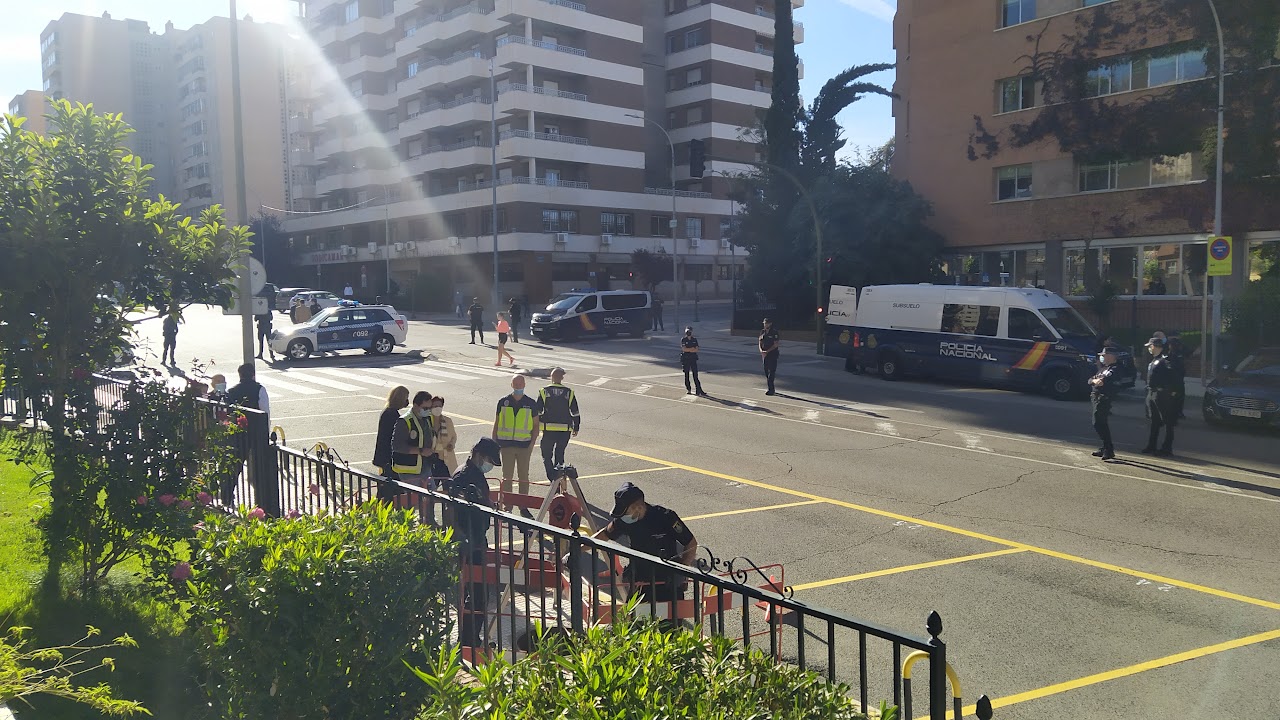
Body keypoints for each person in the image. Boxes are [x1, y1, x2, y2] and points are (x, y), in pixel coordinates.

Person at [593, 482, 698, 606]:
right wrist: (578, 547)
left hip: (668, 582)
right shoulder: (625, 520)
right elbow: (604, 535)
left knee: (670, 622)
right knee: (637, 621)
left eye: (626, 512)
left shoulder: (665, 517)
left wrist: (683, 568)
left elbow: (691, 542)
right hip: (640, 582)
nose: (623, 517)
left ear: (638, 507)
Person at [443, 437, 502, 646]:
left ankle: (470, 638)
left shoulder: (474, 473)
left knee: (477, 593)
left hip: (476, 538)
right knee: (477, 594)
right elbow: (451, 509)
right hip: (468, 541)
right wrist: (459, 538)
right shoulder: (464, 475)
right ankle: (469, 640)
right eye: (489, 460)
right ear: (478, 454)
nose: (490, 466)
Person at [223, 363, 272, 505]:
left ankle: (226, 495)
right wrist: (266, 432)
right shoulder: (259, 389)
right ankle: (262, 497)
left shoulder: (232, 391)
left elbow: (228, 412)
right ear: (253, 374)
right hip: (257, 432)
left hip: (239, 433)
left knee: (235, 465)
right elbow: (265, 411)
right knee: (259, 465)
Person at [492, 374, 540, 513]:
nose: (518, 386)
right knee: (507, 477)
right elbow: (497, 423)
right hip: (506, 446)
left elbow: (536, 425)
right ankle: (508, 505)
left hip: (524, 446)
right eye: (516, 384)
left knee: (523, 477)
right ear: (511, 385)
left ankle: (523, 504)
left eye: (521, 384)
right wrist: (494, 442)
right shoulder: (503, 402)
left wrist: (532, 444)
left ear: (524, 385)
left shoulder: (531, 403)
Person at [536, 368, 580, 482]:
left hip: (548, 430)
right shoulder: (569, 392)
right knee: (560, 456)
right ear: (562, 378)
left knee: (546, 456)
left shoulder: (544, 391)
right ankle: (558, 479)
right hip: (565, 430)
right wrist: (576, 427)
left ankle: (552, 478)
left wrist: (537, 424)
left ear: (551, 376)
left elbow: (538, 411)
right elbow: (575, 412)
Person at [391, 390, 440, 493]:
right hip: (408, 469)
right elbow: (397, 446)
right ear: (416, 405)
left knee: (431, 498)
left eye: (429, 408)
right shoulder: (404, 421)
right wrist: (421, 451)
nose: (428, 411)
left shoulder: (428, 418)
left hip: (425, 466)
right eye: (425, 408)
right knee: (413, 501)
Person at [372, 385, 410, 501]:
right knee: (390, 488)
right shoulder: (392, 415)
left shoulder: (388, 412)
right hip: (388, 458)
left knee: (387, 487)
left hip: (384, 456)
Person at [1142, 337, 1178, 456]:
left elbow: (1173, 377)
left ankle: (1167, 448)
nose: (1149, 348)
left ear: (1155, 346)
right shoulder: (1154, 360)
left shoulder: (1165, 360)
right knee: (1154, 421)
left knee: (1167, 421)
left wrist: (1170, 391)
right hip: (1152, 392)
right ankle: (1152, 445)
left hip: (1161, 393)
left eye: (1150, 346)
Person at [1089, 347, 1123, 460]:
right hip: (1096, 397)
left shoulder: (1115, 369)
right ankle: (1105, 447)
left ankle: (1109, 449)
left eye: (1104, 355)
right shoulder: (1103, 368)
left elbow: (1106, 382)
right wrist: (1094, 381)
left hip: (1103, 398)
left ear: (1111, 356)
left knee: (1098, 423)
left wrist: (1097, 382)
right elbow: (1091, 380)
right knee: (1099, 423)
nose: (1102, 357)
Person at [429, 395, 459, 474]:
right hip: (432, 458)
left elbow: (453, 436)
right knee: (432, 484)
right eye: (435, 406)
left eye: (439, 406)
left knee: (449, 483)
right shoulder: (427, 421)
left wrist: (451, 444)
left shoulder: (448, 421)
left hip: (446, 458)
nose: (437, 408)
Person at [680, 327, 708, 396]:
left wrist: (689, 349)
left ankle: (698, 390)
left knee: (695, 375)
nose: (688, 333)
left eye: (689, 332)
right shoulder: (683, 339)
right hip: (686, 359)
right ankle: (688, 389)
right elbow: (684, 349)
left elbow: (697, 349)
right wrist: (691, 349)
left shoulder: (694, 340)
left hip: (693, 359)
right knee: (686, 375)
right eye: (687, 332)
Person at [1166, 335, 1187, 419]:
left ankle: (1179, 412)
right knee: (1174, 396)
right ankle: (1173, 413)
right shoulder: (1170, 355)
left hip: (1179, 379)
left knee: (1180, 396)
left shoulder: (1179, 353)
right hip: (1173, 380)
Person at [759, 317, 781, 396]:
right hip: (765, 354)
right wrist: (761, 350)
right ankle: (770, 386)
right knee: (766, 371)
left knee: (771, 371)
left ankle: (771, 389)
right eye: (764, 323)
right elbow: (760, 341)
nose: (765, 325)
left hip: (772, 354)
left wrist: (767, 351)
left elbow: (775, 344)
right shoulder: (762, 332)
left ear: (770, 324)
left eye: (766, 323)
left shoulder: (774, 332)